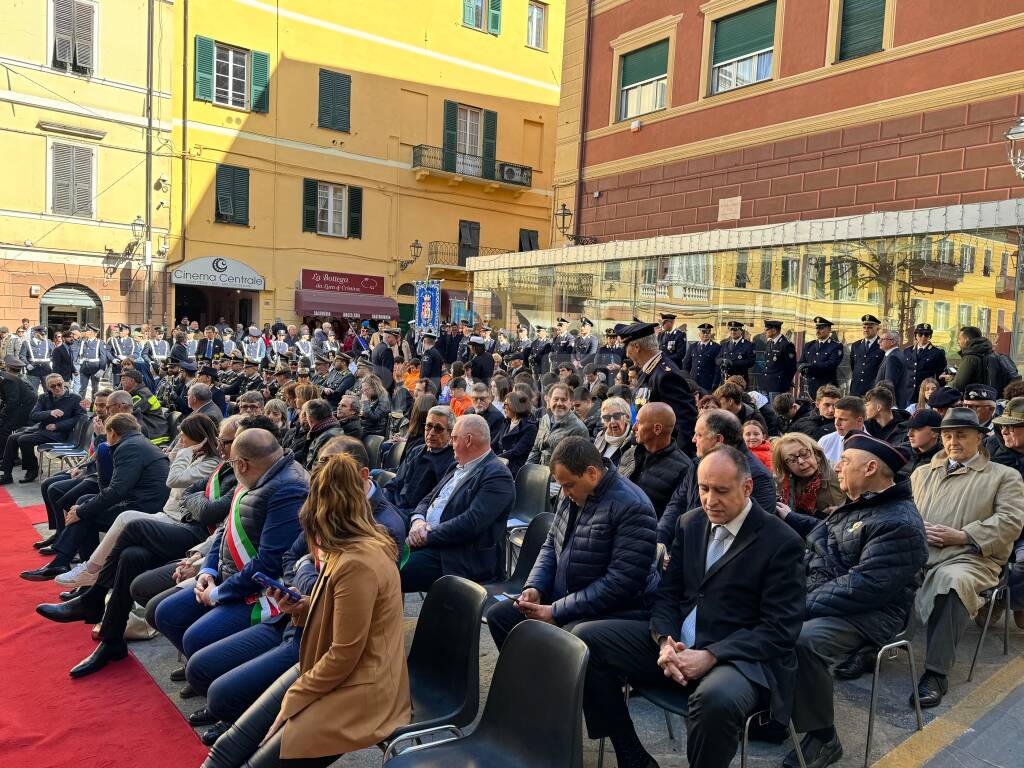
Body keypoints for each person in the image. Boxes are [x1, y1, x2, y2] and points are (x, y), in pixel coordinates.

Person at [574, 446, 806, 768]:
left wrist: (712, 655)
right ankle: (630, 752)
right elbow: (668, 594)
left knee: (715, 700)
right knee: (585, 638)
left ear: (747, 487)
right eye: (704, 489)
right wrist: (665, 641)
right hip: (682, 641)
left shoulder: (782, 542)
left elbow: (780, 629)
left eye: (722, 491)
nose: (710, 500)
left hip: (739, 658)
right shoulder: (691, 523)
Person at [205, 451, 410, 767]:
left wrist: (295, 698)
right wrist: (302, 607)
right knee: (226, 748)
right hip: (324, 664)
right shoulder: (350, 545)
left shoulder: (358, 561)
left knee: (254, 762)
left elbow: (345, 654)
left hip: (359, 688)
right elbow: (337, 612)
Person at [782, 434, 928, 768]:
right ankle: (778, 711)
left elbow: (864, 587)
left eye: (845, 461)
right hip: (836, 597)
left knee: (803, 640)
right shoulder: (864, 504)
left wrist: (801, 604)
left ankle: (823, 738)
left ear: (871, 467)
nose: (836, 466)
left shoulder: (898, 522)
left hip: (873, 613)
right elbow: (823, 544)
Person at [486, 436, 658, 648]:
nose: (565, 493)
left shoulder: (633, 506)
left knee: (570, 637)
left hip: (610, 609)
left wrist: (557, 611)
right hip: (567, 596)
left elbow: (621, 583)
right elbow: (551, 543)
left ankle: (552, 678)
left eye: (569, 486)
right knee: (501, 617)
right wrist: (535, 587)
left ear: (592, 473)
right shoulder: (574, 493)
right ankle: (533, 677)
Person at [153, 429, 306, 662]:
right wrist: (207, 570)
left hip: (259, 590)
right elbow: (226, 528)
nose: (229, 464)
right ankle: (201, 670)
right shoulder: (258, 474)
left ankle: (206, 672)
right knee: (165, 612)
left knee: (196, 639)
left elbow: (270, 562)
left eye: (232, 461)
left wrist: (216, 593)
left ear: (243, 464)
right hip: (226, 574)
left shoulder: (288, 489)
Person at [909, 407, 1024, 706]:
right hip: (922, 553)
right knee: (882, 570)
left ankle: (936, 673)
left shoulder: (1004, 476)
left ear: (980, 438)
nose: (952, 442)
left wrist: (963, 536)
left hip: (973, 559)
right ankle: (870, 647)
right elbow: (904, 513)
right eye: (947, 435)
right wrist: (916, 527)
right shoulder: (922, 473)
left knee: (951, 582)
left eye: (961, 435)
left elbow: (1011, 521)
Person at [56, 413, 221, 589]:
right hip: (167, 514)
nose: (181, 440)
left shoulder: (210, 463)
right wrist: (181, 449)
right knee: (98, 511)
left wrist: (185, 452)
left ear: (197, 439)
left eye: (184, 436)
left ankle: (89, 570)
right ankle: (88, 573)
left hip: (181, 522)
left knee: (123, 518)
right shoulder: (193, 456)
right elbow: (170, 462)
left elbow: (172, 479)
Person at [21, 413, 170, 582]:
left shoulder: (129, 447)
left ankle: (71, 565)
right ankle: (80, 570)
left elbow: (116, 490)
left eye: (107, 435)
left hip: (144, 507)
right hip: (142, 501)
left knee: (86, 513)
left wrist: (81, 512)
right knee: (84, 502)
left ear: (112, 432)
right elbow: (114, 488)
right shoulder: (138, 443)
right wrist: (83, 508)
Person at [401, 414, 515, 591]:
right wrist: (417, 521)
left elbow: (470, 523)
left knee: (391, 571)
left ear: (468, 440)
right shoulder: (457, 464)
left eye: (454, 438)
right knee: (378, 552)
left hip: (457, 555)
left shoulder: (497, 476)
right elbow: (428, 498)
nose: (450, 443)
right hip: (428, 538)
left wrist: (425, 537)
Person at [657, 410, 777, 556]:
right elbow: (677, 503)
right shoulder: (697, 463)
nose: (694, 439)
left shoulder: (758, 477)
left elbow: (754, 534)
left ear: (718, 440)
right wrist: (660, 540)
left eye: (699, 435)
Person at [620, 321, 698, 453]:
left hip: (661, 456)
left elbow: (685, 424)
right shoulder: (649, 371)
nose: (626, 354)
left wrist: (676, 462)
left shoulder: (666, 376)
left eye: (626, 348)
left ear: (637, 346)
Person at [0, 373, 83, 485]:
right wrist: (49, 413)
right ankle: (7, 475)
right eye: (53, 386)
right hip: (42, 429)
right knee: (12, 438)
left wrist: (57, 426)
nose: (57, 388)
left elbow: (78, 418)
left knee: (23, 440)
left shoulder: (75, 398)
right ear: (48, 387)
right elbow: (33, 415)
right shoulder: (44, 397)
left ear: (64, 383)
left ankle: (32, 470)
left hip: (59, 434)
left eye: (59, 384)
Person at [384, 405, 456, 524]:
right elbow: (395, 483)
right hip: (394, 505)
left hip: (414, 516)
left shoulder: (452, 462)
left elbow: (432, 505)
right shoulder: (417, 450)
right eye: (428, 426)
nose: (431, 433)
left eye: (438, 429)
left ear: (450, 433)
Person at [617, 402, 692, 518]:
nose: (633, 427)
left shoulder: (684, 468)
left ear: (657, 429)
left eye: (639, 423)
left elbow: (674, 516)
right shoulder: (630, 453)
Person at [988, 398, 1024, 628]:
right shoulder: (990, 448)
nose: (1005, 430)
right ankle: (995, 595)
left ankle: (1012, 600)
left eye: (1012, 426)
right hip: (992, 524)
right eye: (1003, 425)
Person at [772, 432, 845, 520]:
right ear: (785, 466)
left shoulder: (839, 473)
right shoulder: (781, 483)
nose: (801, 461)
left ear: (815, 452)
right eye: (792, 460)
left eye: (804, 453)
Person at [528, 382, 590, 468]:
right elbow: (536, 449)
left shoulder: (579, 429)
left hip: (561, 479)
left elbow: (578, 464)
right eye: (556, 399)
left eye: (564, 400)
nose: (559, 403)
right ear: (549, 401)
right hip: (540, 475)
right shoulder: (545, 419)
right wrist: (528, 471)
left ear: (571, 403)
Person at [494, 390, 539, 477]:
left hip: (515, 469)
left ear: (515, 406)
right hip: (500, 464)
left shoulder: (530, 428)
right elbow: (494, 444)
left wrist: (494, 459)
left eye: (506, 404)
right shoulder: (506, 422)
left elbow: (516, 451)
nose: (503, 407)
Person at [798, 317, 843, 398]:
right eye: (817, 328)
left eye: (821, 328)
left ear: (829, 330)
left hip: (827, 388)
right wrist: (802, 369)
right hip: (811, 386)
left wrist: (810, 366)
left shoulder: (836, 346)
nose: (818, 331)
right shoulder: (809, 345)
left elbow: (831, 364)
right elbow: (801, 362)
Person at [0, 356, 37, 453]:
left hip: (26, 412)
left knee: (4, 428)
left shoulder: (9, 380)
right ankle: (11, 456)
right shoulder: (16, 378)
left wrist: (3, 413)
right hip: (24, 409)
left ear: (7, 368)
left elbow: (13, 402)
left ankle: (7, 457)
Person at [904, 324, 946, 405]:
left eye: (926, 335)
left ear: (930, 336)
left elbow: (940, 376)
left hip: (926, 395)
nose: (923, 337)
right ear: (916, 336)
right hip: (908, 394)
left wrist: (937, 394)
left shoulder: (937, 353)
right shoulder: (907, 351)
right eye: (920, 334)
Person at [818, 396, 866, 465]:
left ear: (859, 420)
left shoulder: (874, 447)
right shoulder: (825, 441)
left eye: (843, 419)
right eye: (835, 418)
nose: (836, 423)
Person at [945, 326, 993, 392]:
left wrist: (948, 385)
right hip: (989, 397)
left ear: (966, 340)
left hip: (973, 398)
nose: (958, 342)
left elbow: (958, 385)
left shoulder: (970, 358)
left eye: (959, 339)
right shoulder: (988, 353)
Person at [849, 314, 884, 397]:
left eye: (870, 327)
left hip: (872, 390)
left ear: (877, 329)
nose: (866, 330)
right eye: (864, 327)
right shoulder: (856, 345)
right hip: (856, 389)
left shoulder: (882, 345)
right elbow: (853, 366)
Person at [760, 320, 797, 399]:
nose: (764, 332)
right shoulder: (770, 343)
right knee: (766, 410)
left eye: (766, 329)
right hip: (766, 384)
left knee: (776, 410)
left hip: (777, 386)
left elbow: (791, 367)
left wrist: (785, 384)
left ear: (774, 330)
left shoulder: (786, 345)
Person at [593, 396, 633, 467]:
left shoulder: (634, 441)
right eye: (607, 417)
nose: (612, 421)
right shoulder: (600, 436)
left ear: (627, 416)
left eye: (617, 416)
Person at [681, 323, 721, 392]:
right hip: (693, 382)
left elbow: (717, 368)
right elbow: (686, 364)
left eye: (708, 332)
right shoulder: (693, 346)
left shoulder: (716, 347)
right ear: (699, 334)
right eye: (703, 332)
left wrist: (715, 383)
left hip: (708, 383)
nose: (706, 334)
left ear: (710, 334)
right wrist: (686, 379)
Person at [875, 330, 910, 407]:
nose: (879, 342)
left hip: (889, 404)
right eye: (879, 339)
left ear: (892, 342)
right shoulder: (892, 355)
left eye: (882, 340)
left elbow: (888, 386)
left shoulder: (893, 358)